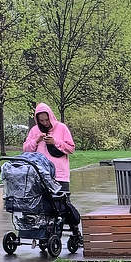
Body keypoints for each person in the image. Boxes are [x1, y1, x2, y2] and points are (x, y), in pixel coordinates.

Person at [23, 103, 82, 241]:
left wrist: (55, 142)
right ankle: (48, 234)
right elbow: (26, 149)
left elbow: (71, 148)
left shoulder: (61, 128)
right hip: (40, 175)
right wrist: (36, 140)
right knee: (45, 207)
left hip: (60, 174)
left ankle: (75, 232)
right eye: (41, 121)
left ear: (50, 116)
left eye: (46, 120)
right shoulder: (34, 130)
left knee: (63, 205)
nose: (44, 123)